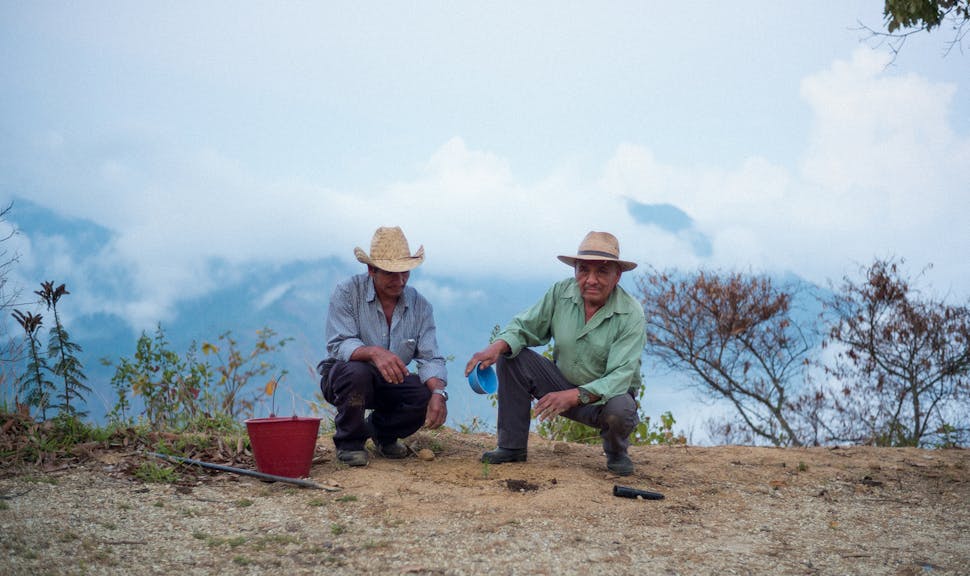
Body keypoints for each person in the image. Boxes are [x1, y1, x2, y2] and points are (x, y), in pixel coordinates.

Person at [465, 231, 645, 476]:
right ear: (575, 272)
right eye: (583, 270)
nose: (591, 280)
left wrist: (575, 395)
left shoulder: (631, 314)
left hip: (605, 398)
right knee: (512, 356)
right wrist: (496, 347)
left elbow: (621, 375)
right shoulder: (561, 293)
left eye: (602, 272)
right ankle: (511, 446)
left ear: (617, 276)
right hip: (560, 384)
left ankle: (616, 453)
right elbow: (525, 327)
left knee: (621, 408)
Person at [318, 226, 448, 467]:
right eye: (390, 273)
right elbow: (338, 344)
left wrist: (438, 393)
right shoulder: (347, 292)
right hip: (345, 379)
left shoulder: (420, 306)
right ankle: (350, 443)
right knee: (357, 372)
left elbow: (430, 357)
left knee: (424, 394)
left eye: (405, 273)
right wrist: (374, 353)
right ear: (371, 270)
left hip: (391, 382)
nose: (399, 281)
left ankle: (381, 433)